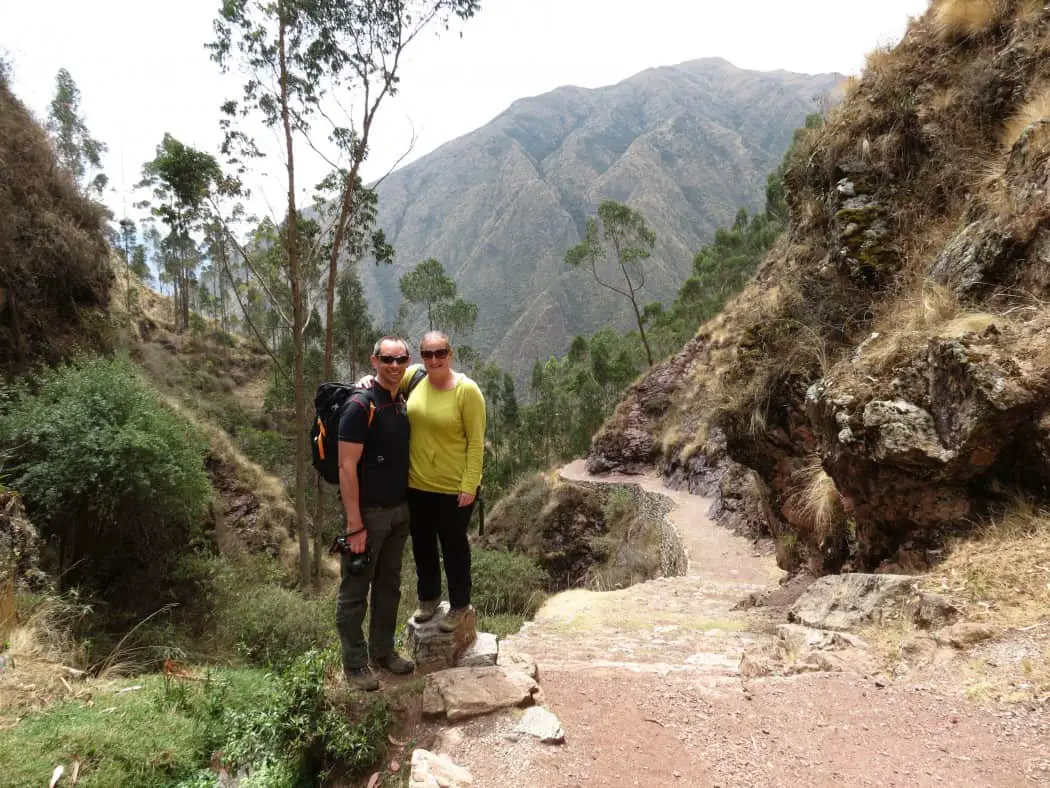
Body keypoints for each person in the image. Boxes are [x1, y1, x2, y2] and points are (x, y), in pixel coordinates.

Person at [335, 336, 416, 691]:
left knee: (389, 587)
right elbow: (346, 467)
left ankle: (383, 652)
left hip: (400, 512)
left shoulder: (400, 401)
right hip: (368, 516)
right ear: (374, 360)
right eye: (387, 359)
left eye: (400, 360)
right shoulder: (359, 405)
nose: (394, 366)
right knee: (355, 592)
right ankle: (355, 665)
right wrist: (354, 525)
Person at [405, 331, 486, 633]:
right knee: (423, 545)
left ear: (450, 354)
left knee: (453, 546)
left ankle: (460, 605)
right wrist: (364, 382)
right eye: (428, 354)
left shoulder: (467, 391)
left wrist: (469, 485)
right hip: (417, 484)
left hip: (454, 488)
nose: (434, 359)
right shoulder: (413, 378)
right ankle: (428, 599)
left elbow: (476, 443)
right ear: (421, 357)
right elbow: (385, 380)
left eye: (440, 353)